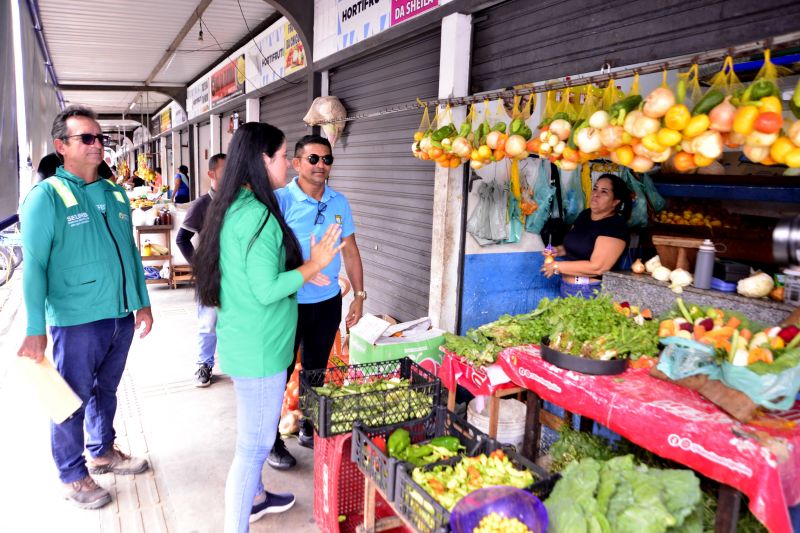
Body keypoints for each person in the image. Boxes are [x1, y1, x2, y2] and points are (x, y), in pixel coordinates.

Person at [192, 122, 344, 531]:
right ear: (263, 160)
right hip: (259, 348)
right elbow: (265, 289)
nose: (288, 165)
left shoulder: (237, 206)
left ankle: (256, 498)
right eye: (282, 157)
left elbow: (251, 273)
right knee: (254, 446)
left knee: (252, 438)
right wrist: (312, 265)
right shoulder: (257, 215)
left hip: (248, 339)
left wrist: (301, 270)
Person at [17, 106, 154, 510]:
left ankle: (102, 451)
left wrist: (142, 304)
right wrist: (35, 326)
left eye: (100, 137)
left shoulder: (114, 192)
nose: (98, 145)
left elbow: (129, 252)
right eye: (87, 138)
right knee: (70, 398)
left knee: (106, 390)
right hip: (76, 320)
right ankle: (73, 474)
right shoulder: (45, 198)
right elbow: (34, 267)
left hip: (119, 315)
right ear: (62, 146)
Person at [268, 134, 366, 469]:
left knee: (316, 369)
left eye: (327, 159)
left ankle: (309, 426)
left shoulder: (339, 202)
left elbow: (350, 250)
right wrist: (302, 270)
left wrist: (359, 295)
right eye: (313, 159)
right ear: (296, 163)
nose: (321, 165)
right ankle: (270, 441)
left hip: (327, 302)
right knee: (278, 372)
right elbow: (267, 253)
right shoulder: (279, 200)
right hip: (288, 302)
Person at [176, 153, 227, 387]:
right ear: (211, 174)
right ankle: (204, 365)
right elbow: (182, 239)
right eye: (224, 170)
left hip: (237, 276)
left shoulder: (238, 202)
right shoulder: (201, 205)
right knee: (208, 323)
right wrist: (200, 267)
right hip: (211, 277)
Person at [542, 173, 632, 298]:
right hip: (566, 287)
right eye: (595, 188)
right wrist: (557, 250)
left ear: (615, 201)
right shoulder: (585, 215)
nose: (596, 194)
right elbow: (573, 246)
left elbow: (597, 267)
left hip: (591, 291)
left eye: (604, 192)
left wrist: (557, 266)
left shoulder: (615, 226)